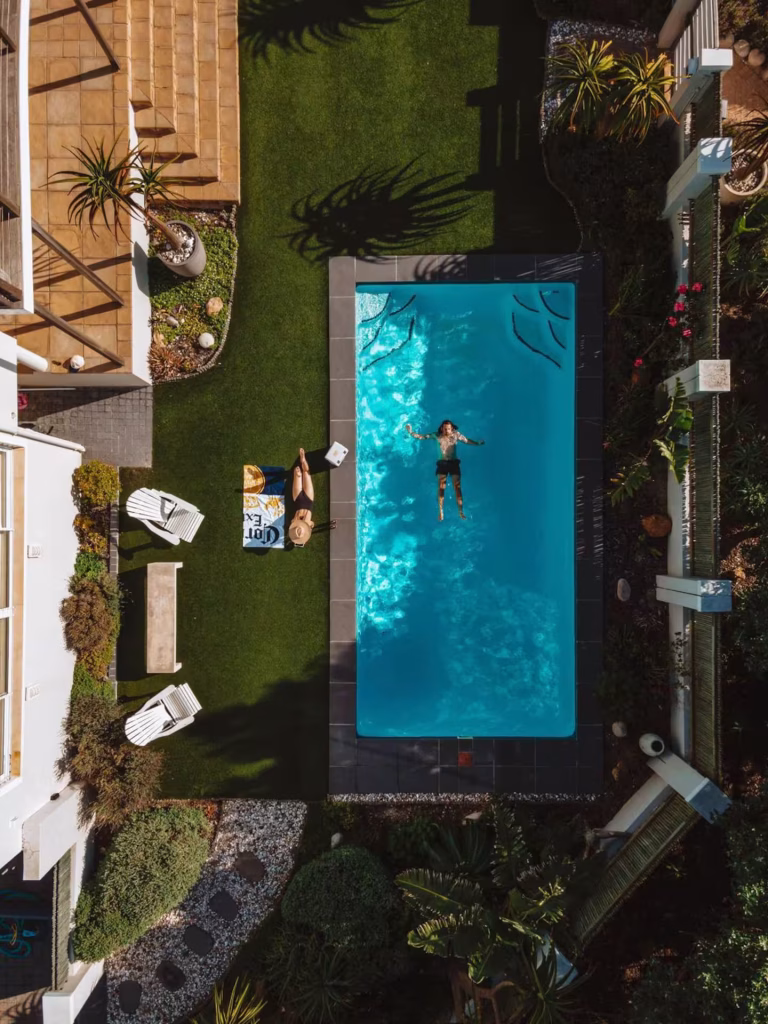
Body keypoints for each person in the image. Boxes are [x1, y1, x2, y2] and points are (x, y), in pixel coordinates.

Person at [405, 419, 484, 520]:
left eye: (448, 429)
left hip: (454, 463)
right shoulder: (437, 435)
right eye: (444, 429)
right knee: (441, 488)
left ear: (452, 429)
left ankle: (460, 511)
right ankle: (441, 511)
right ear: (441, 428)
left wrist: (477, 443)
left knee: (457, 488)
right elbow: (422, 437)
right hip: (442, 464)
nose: (446, 431)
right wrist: (411, 432)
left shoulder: (456, 435)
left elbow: (467, 441)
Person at [288, 448, 315, 547]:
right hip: (308, 500)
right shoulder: (309, 525)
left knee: (297, 472)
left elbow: (294, 522)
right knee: (306, 472)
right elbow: (312, 523)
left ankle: (302, 463)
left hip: (298, 499)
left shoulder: (294, 523)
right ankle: (303, 460)